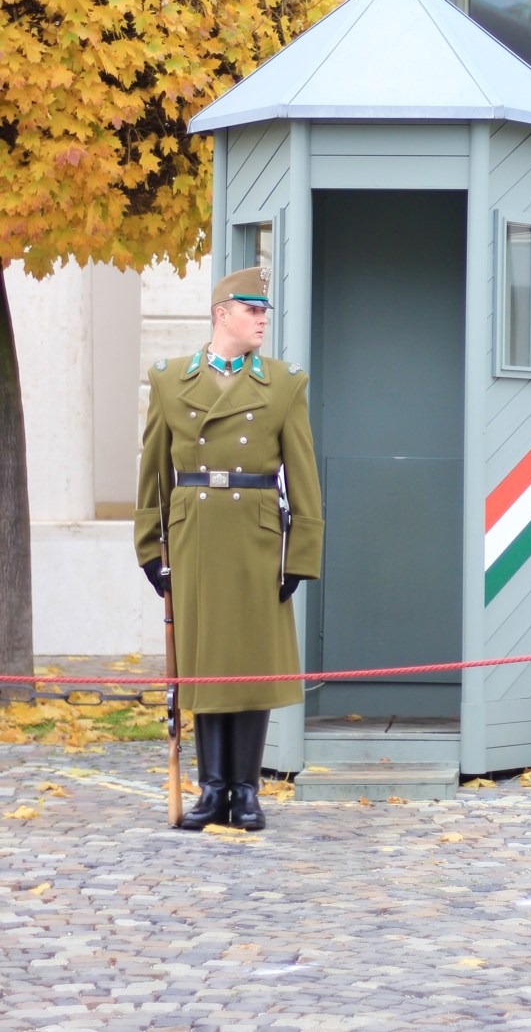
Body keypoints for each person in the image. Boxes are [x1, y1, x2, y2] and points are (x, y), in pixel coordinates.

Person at [134, 266, 324, 831]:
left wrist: (302, 553)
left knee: (251, 664)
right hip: (196, 533)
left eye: (264, 311)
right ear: (222, 315)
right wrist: (151, 544)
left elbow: (304, 473)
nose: (263, 318)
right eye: (252, 310)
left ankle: (246, 789)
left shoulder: (284, 382)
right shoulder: (170, 379)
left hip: (257, 534)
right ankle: (212, 787)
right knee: (206, 661)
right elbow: (153, 471)